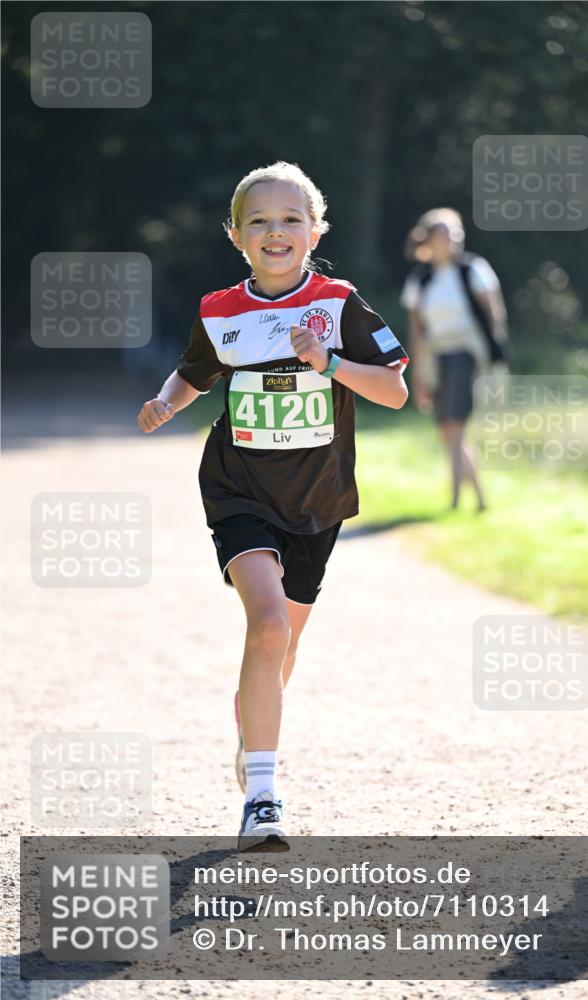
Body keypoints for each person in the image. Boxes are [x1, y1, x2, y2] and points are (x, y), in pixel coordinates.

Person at [137, 162, 409, 851]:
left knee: (283, 643)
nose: (275, 231)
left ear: (315, 229)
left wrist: (330, 364)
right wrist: (168, 402)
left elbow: (395, 392)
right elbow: (195, 371)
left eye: (291, 218)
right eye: (258, 220)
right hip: (238, 489)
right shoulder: (220, 310)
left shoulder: (341, 303)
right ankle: (262, 793)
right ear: (236, 235)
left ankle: (249, 727)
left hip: (316, 499)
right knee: (266, 626)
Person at [400, 208, 508, 511]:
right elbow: (417, 331)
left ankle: (455, 499)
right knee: (447, 430)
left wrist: (495, 355)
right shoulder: (420, 280)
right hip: (436, 356)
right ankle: (481, 499)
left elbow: (494, 314)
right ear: (430, 240)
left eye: (456, 233)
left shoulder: (473, 269)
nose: (453, 239)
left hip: (467, 352)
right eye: (446, 234)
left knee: (455, 424)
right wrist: (417, 376)